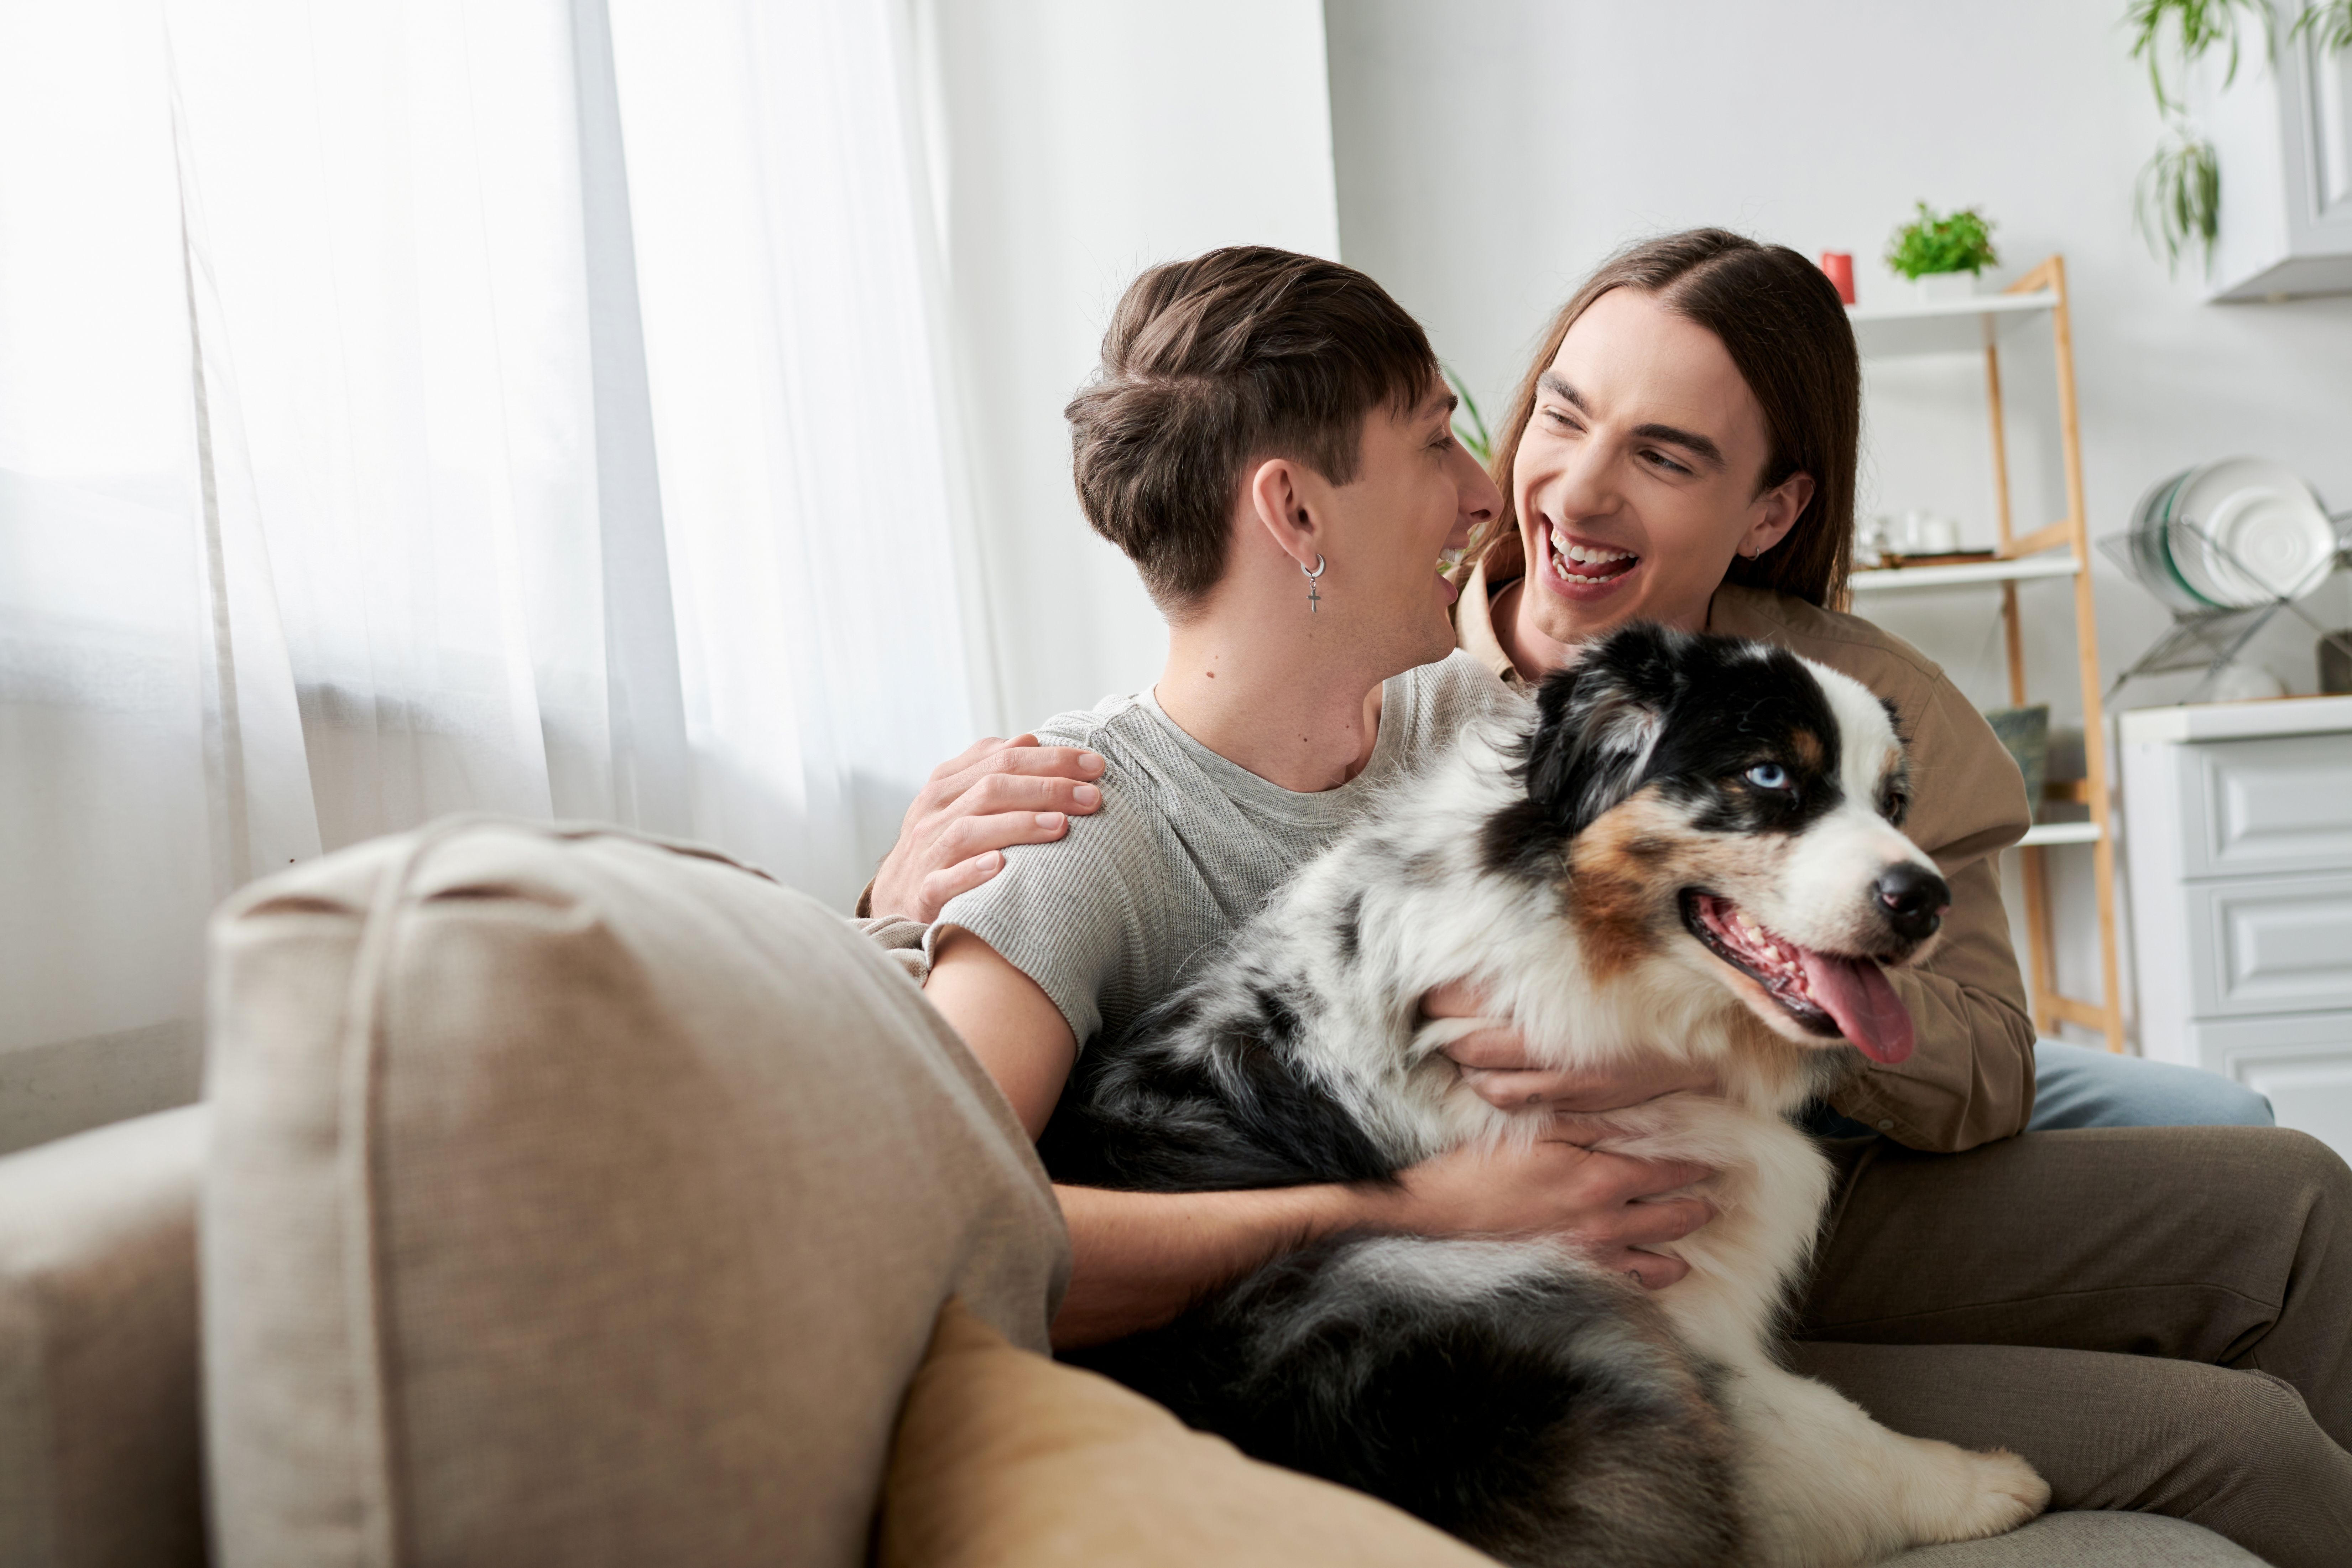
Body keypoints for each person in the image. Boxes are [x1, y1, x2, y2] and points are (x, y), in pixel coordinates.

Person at [881, 239, 2352, 1567]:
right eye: (1467, 435)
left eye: (1651, 451)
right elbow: (949, 1218)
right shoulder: (1076, 816)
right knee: (2244, 1447)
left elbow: (1804, 892)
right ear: (1291, 509)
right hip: (1523, 1305)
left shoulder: (1471, 712)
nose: (1501, 492)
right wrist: (893, 915)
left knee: (2285, 1198)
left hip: (1718, 1197)